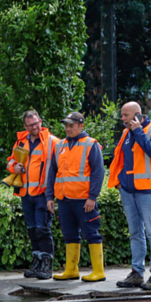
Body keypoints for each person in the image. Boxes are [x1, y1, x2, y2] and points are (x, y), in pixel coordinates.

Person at [108, 102, 151, 291]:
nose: (122, 119)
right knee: (135, 233)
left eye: (126, 115)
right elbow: (121, 159)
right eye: (122, 115)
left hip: (148, 189)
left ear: (137, 115)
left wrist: (139, 132)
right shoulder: (126, 134)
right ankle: (137, 272)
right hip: (128, 190)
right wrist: (120, 182)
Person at [46, 111, 106, 282]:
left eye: (71, 125)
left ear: (81, 126)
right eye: (66, 125)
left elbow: (98, 173)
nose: (68, 128)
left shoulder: (90, 144)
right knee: (69, 234)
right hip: (64, 199)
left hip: (83, 199)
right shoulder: (60, 146)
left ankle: (98, 271)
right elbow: (52, 173)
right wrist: (50, 196)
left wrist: (92, 197)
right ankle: (71, 270)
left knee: (91, 233)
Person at [8, 110, 58, 279]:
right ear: (25, 126)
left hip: (43, 193)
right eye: (30, 125)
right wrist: (13, 167)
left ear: (40, 121)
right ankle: (37, 263)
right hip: (26, 193)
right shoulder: (21, 142)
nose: (34, 127)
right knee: (32, 229)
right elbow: (11, 161)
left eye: (36, 123)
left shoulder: (52, 141)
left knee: (42, 229)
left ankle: (46, 265)